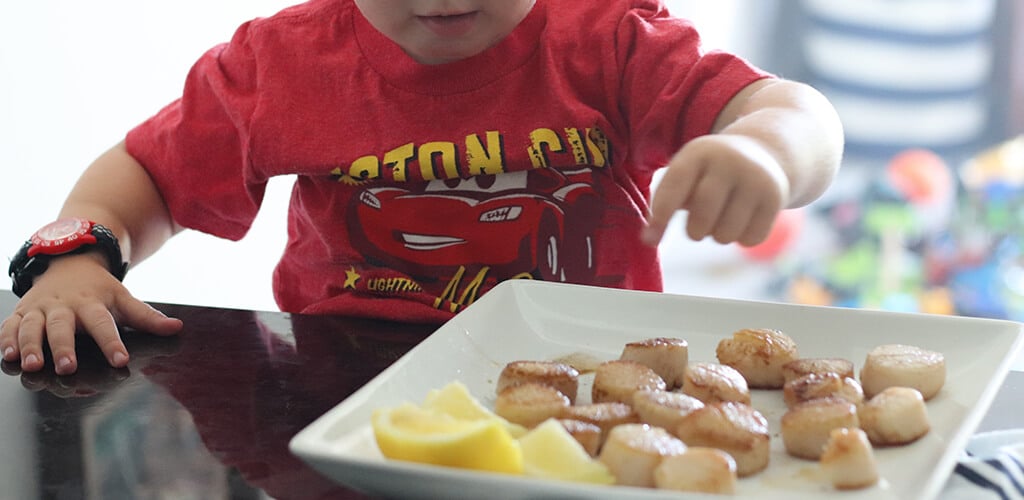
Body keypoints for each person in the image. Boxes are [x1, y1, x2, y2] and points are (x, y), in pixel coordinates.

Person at [1, 0, 844, 375]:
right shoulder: (284, 63)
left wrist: (766, 151)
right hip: (346, 393)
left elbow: (795, 110)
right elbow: (146, 171)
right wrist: (77, 253)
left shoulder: (611, 40)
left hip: (592, 378)